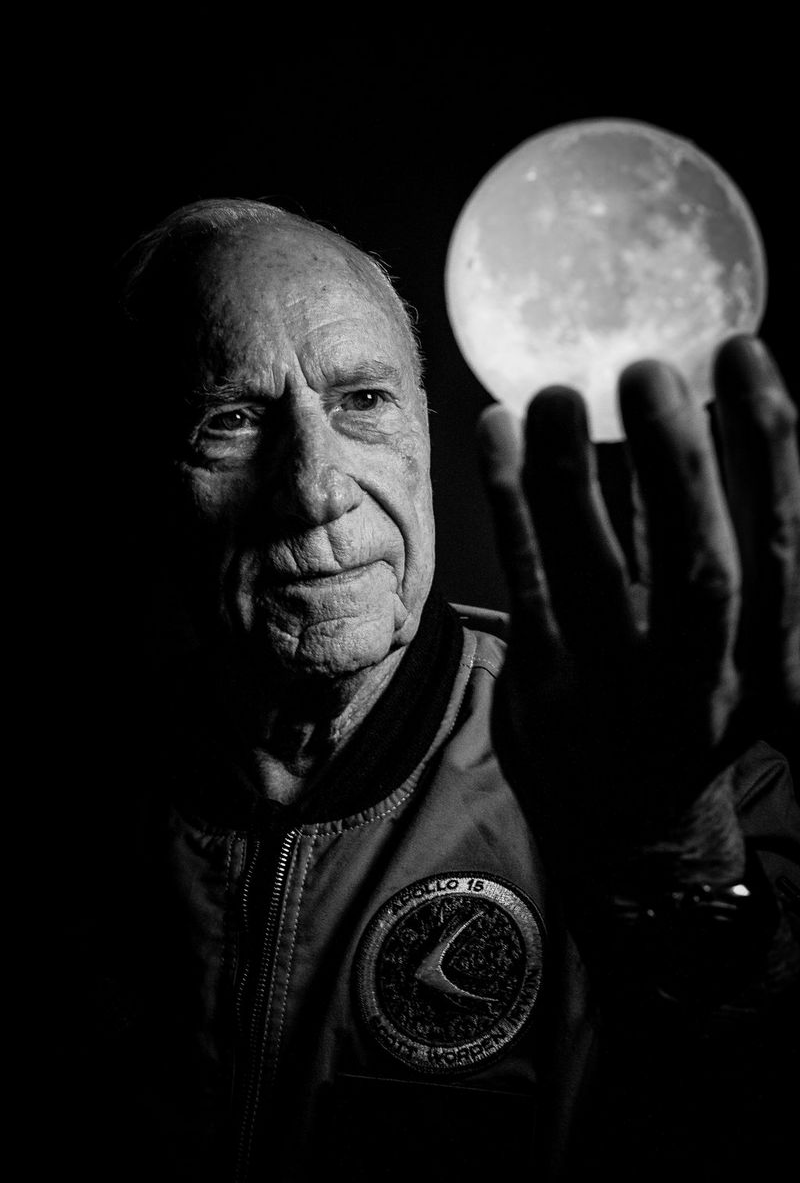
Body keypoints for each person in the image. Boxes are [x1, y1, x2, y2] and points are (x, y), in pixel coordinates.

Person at [57, 198, 799, 1182]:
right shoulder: (75, 779)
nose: (315, 488)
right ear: (144, 475)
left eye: (362, 400)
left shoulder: (638, 740)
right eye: (230, 420)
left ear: (422, 423)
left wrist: (671, 848)